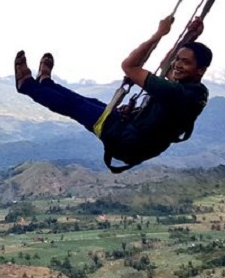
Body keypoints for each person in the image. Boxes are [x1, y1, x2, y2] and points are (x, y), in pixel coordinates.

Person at [14, 15, 211, 172]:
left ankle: (27, 84)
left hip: (127, 141)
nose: (178, 64)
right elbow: (168, 67)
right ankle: (46, 83)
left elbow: (129, 66)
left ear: (200, 70)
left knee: (76, 106)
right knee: (86, 101)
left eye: (186, 62)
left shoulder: (176, 93)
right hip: (136, 135)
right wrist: (189, 37)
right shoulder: (195, 91)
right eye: (179, 59)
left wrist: (158, 34)